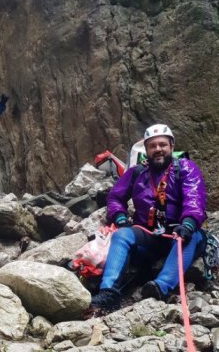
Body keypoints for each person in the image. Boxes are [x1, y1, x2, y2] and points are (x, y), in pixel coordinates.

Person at [87, 124, 207, 316]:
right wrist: (120, 218)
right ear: (147, 150)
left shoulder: (185, 168)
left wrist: (188, 224)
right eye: (152, 146)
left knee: (191, 238)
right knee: (123, 234)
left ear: (171, 146)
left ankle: (160, 287)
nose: (158, 149)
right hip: (149, 234)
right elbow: (115, 197)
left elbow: (194, 198)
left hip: (179, 232)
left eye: (162, 145)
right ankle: (108, 292)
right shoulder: (137, 172)